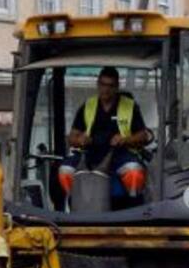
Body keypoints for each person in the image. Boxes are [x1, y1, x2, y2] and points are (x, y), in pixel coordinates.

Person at [58, 66, 153, 199]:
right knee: (65, 171)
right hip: (90, 154)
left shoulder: (130, 106)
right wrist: (80, 140)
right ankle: (76, 202)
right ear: (98, 84)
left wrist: (125, 140)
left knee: (134, 172)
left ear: (117, 87)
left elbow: (143, 136)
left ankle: (131, 204)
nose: (106, 89)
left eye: (111, 85)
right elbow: (72, 137)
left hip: (121, 154)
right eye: (103, 84)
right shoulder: (87, 106)